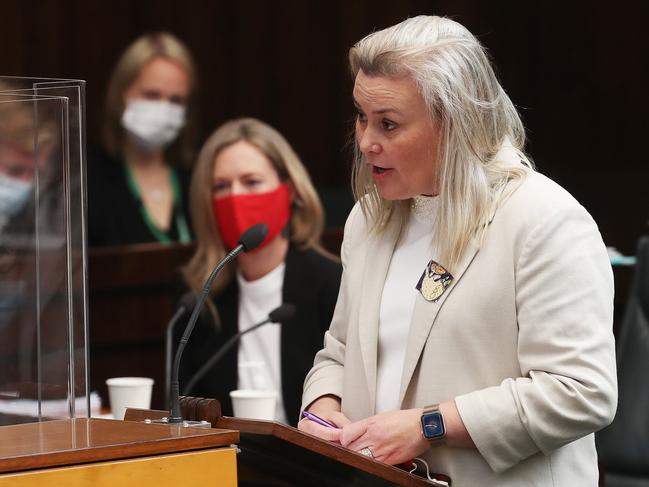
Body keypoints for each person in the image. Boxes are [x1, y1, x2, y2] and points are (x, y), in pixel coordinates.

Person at [298, 15, 617, 486]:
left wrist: (430, 425)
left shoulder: (544, 220)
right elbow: (341, 353)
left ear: (455, 124)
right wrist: (322, 414)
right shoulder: (368, 220)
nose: (366, 142)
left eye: (388, 124)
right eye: (362, 117)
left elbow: (580, 392)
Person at [178, 118, 342, 425]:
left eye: (251, 182)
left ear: (290, 191)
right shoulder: (200, 302)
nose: (236, 197)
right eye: (221, 186)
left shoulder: (333, 284)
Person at [87, 32, 197, 246]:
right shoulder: (87, 179)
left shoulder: (197, 174)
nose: (164, 109)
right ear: (122, 94)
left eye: (176, 100)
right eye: (152, 95)